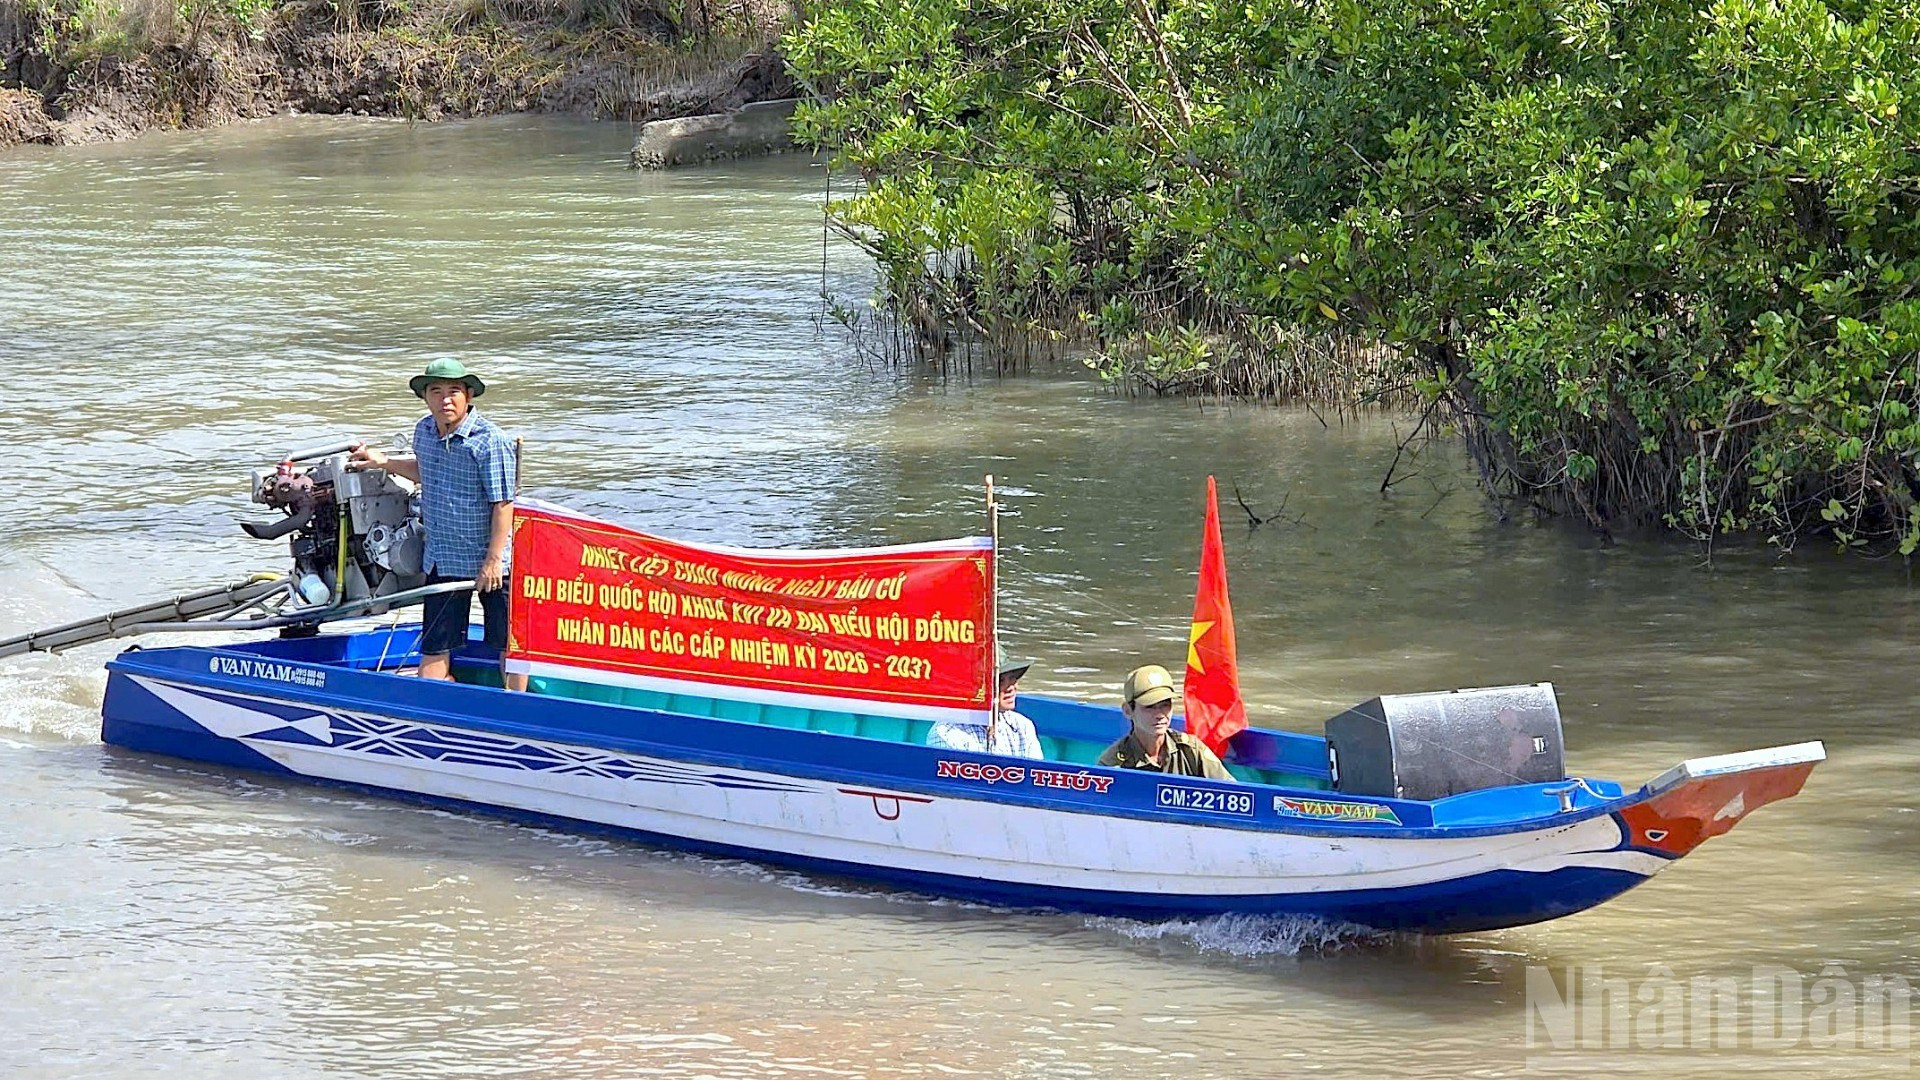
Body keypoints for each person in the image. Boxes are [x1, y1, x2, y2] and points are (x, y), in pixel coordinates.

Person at [349, 358, 525, 691]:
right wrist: (383, 461)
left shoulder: (489, 442)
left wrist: (493, 560)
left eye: (454, 391)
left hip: (492, 561)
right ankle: (429, 704)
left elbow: (503, 505)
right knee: (435, 644)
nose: (446, 399)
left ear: (468, 396)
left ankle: (517, 707)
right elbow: (425, 469)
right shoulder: (424, 431)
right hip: (442, 557)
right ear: (426, 397)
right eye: (437, 391)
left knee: (509, 644)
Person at [1097, 664, 1234, 780]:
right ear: (1128, 711)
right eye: (1149, 707)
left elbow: (1234, 793)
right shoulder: (1113, 764)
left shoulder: (1191, 750)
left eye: (1165, 705)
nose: (1160, 715)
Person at [926, 652, 1044, 759]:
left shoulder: (1022, 727)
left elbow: (1034, 776)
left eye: (1013, 678)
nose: (1011, 687)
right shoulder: (946, 735)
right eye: (1000, 681)